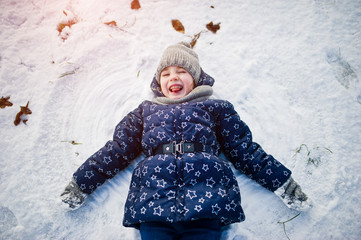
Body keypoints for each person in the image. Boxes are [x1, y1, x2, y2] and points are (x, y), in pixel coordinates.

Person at [61, 42, 311, 240]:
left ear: (196, 78)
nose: (174, 77)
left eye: (182, 71)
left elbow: (244, 150)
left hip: (207, 199)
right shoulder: (145, 111)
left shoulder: (216, 109)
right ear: (159, 83)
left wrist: (285, 184)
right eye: (166, 74)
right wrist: (80, 184)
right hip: (154, 201)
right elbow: (116, 150)